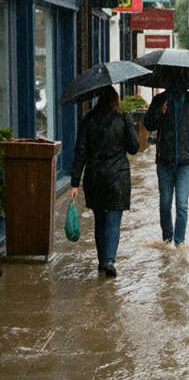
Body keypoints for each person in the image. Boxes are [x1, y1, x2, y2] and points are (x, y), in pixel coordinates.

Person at [69, 87, 140, 277]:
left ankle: (103, 260)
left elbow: (80, 152)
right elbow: (134, 148)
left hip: (95, 178)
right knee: (113, 221)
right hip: (117, 178)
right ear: (116, 100)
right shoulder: (123, 118)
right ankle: (109, 260)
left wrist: (74, 182)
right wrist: (129, 126)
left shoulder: (88, 119)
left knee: (100, 220)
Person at [144, 86, 189, 248]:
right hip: (164, 161)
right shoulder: (160, 100)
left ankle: (179, 242)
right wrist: (160, 112)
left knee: (182, 204)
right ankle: (167, 237)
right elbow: (148, 124)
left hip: (185, 161)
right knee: (165, 202)